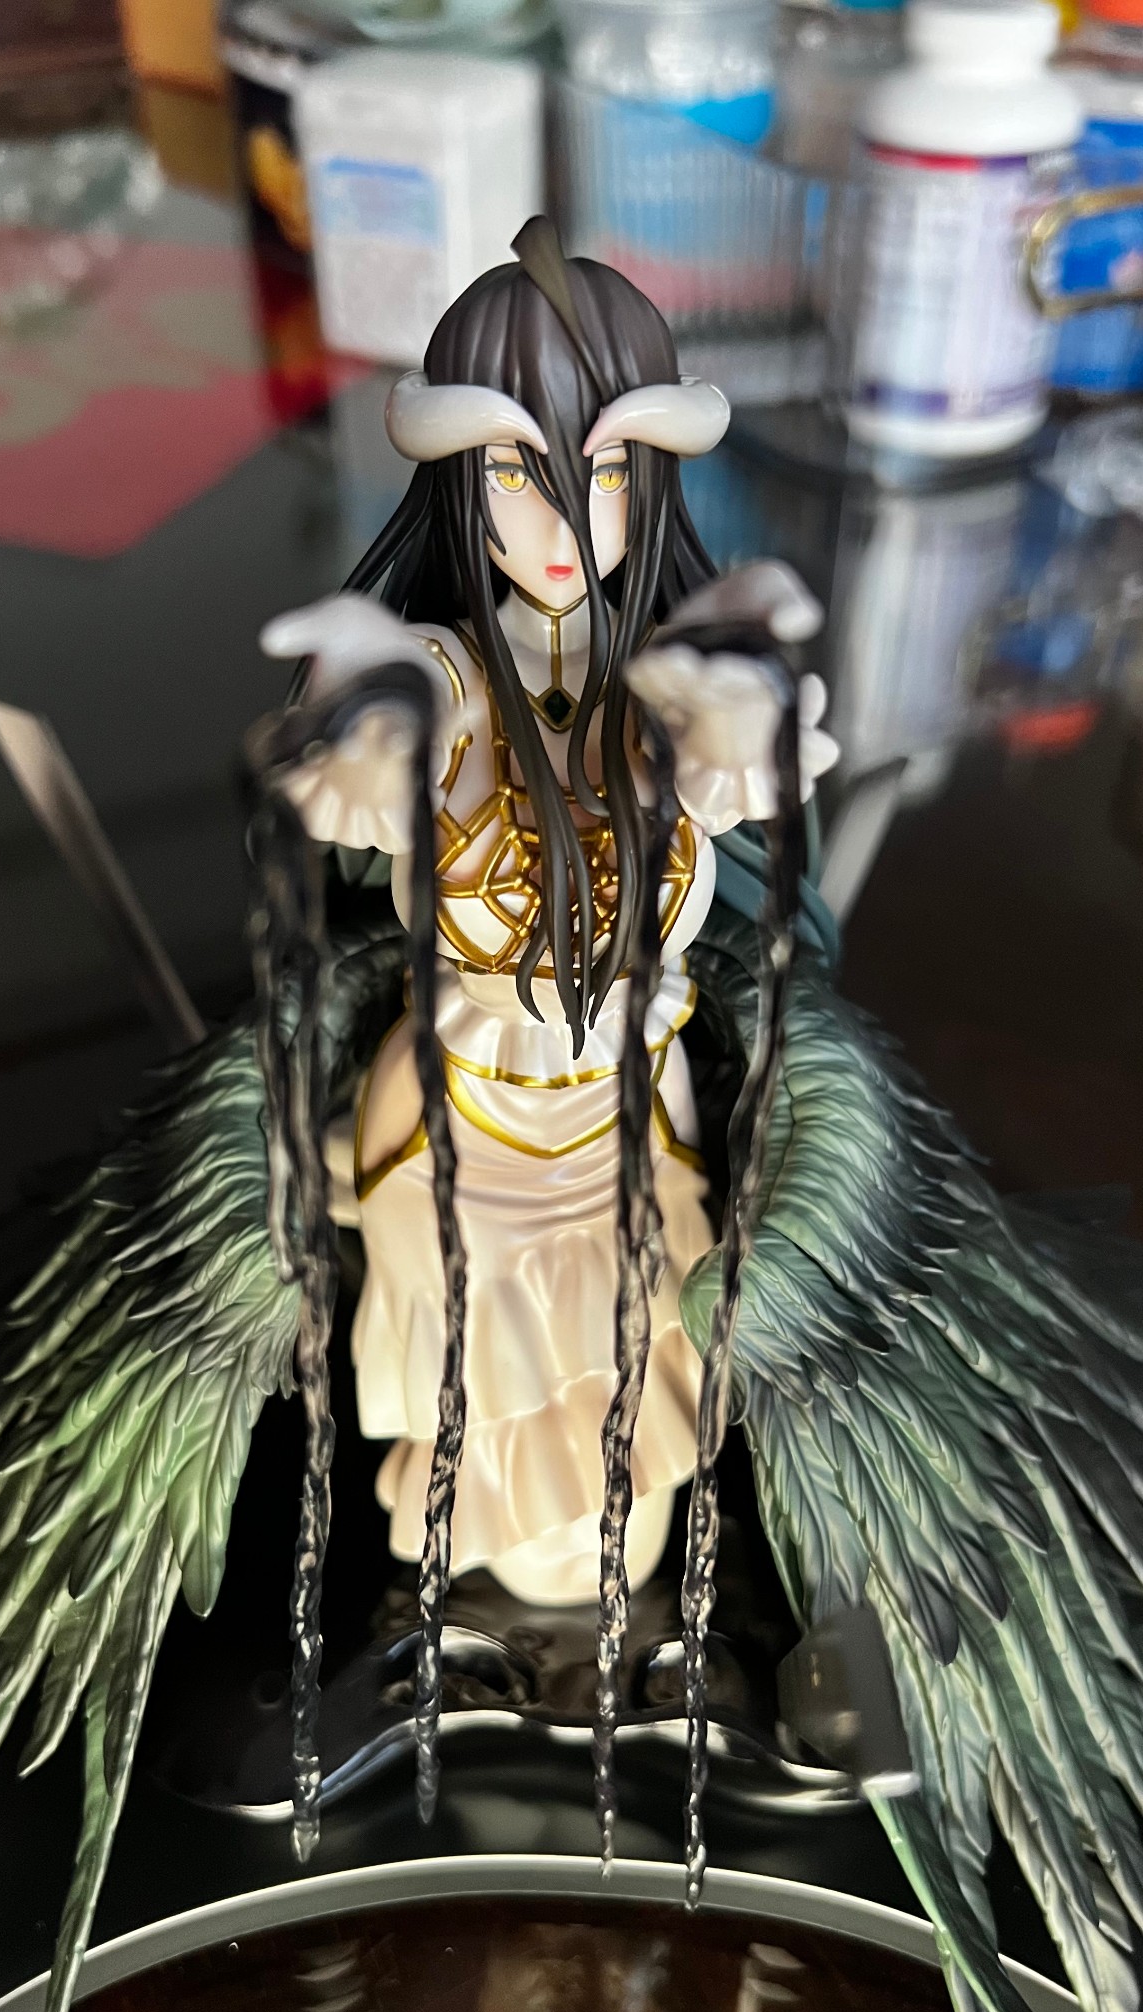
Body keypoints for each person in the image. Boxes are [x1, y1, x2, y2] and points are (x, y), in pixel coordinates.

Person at [258, 224, 836, 1605]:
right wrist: (361, 710)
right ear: (462, 481)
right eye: (518, 472)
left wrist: (740, 696)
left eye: (610, 470)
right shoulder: (450, 678)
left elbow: (740, 747)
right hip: (461, 1119)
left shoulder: (671, 680)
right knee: (483, 1425)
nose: (565, 522)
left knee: (637, 1413)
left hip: (629, 1104)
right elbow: (389, 711)